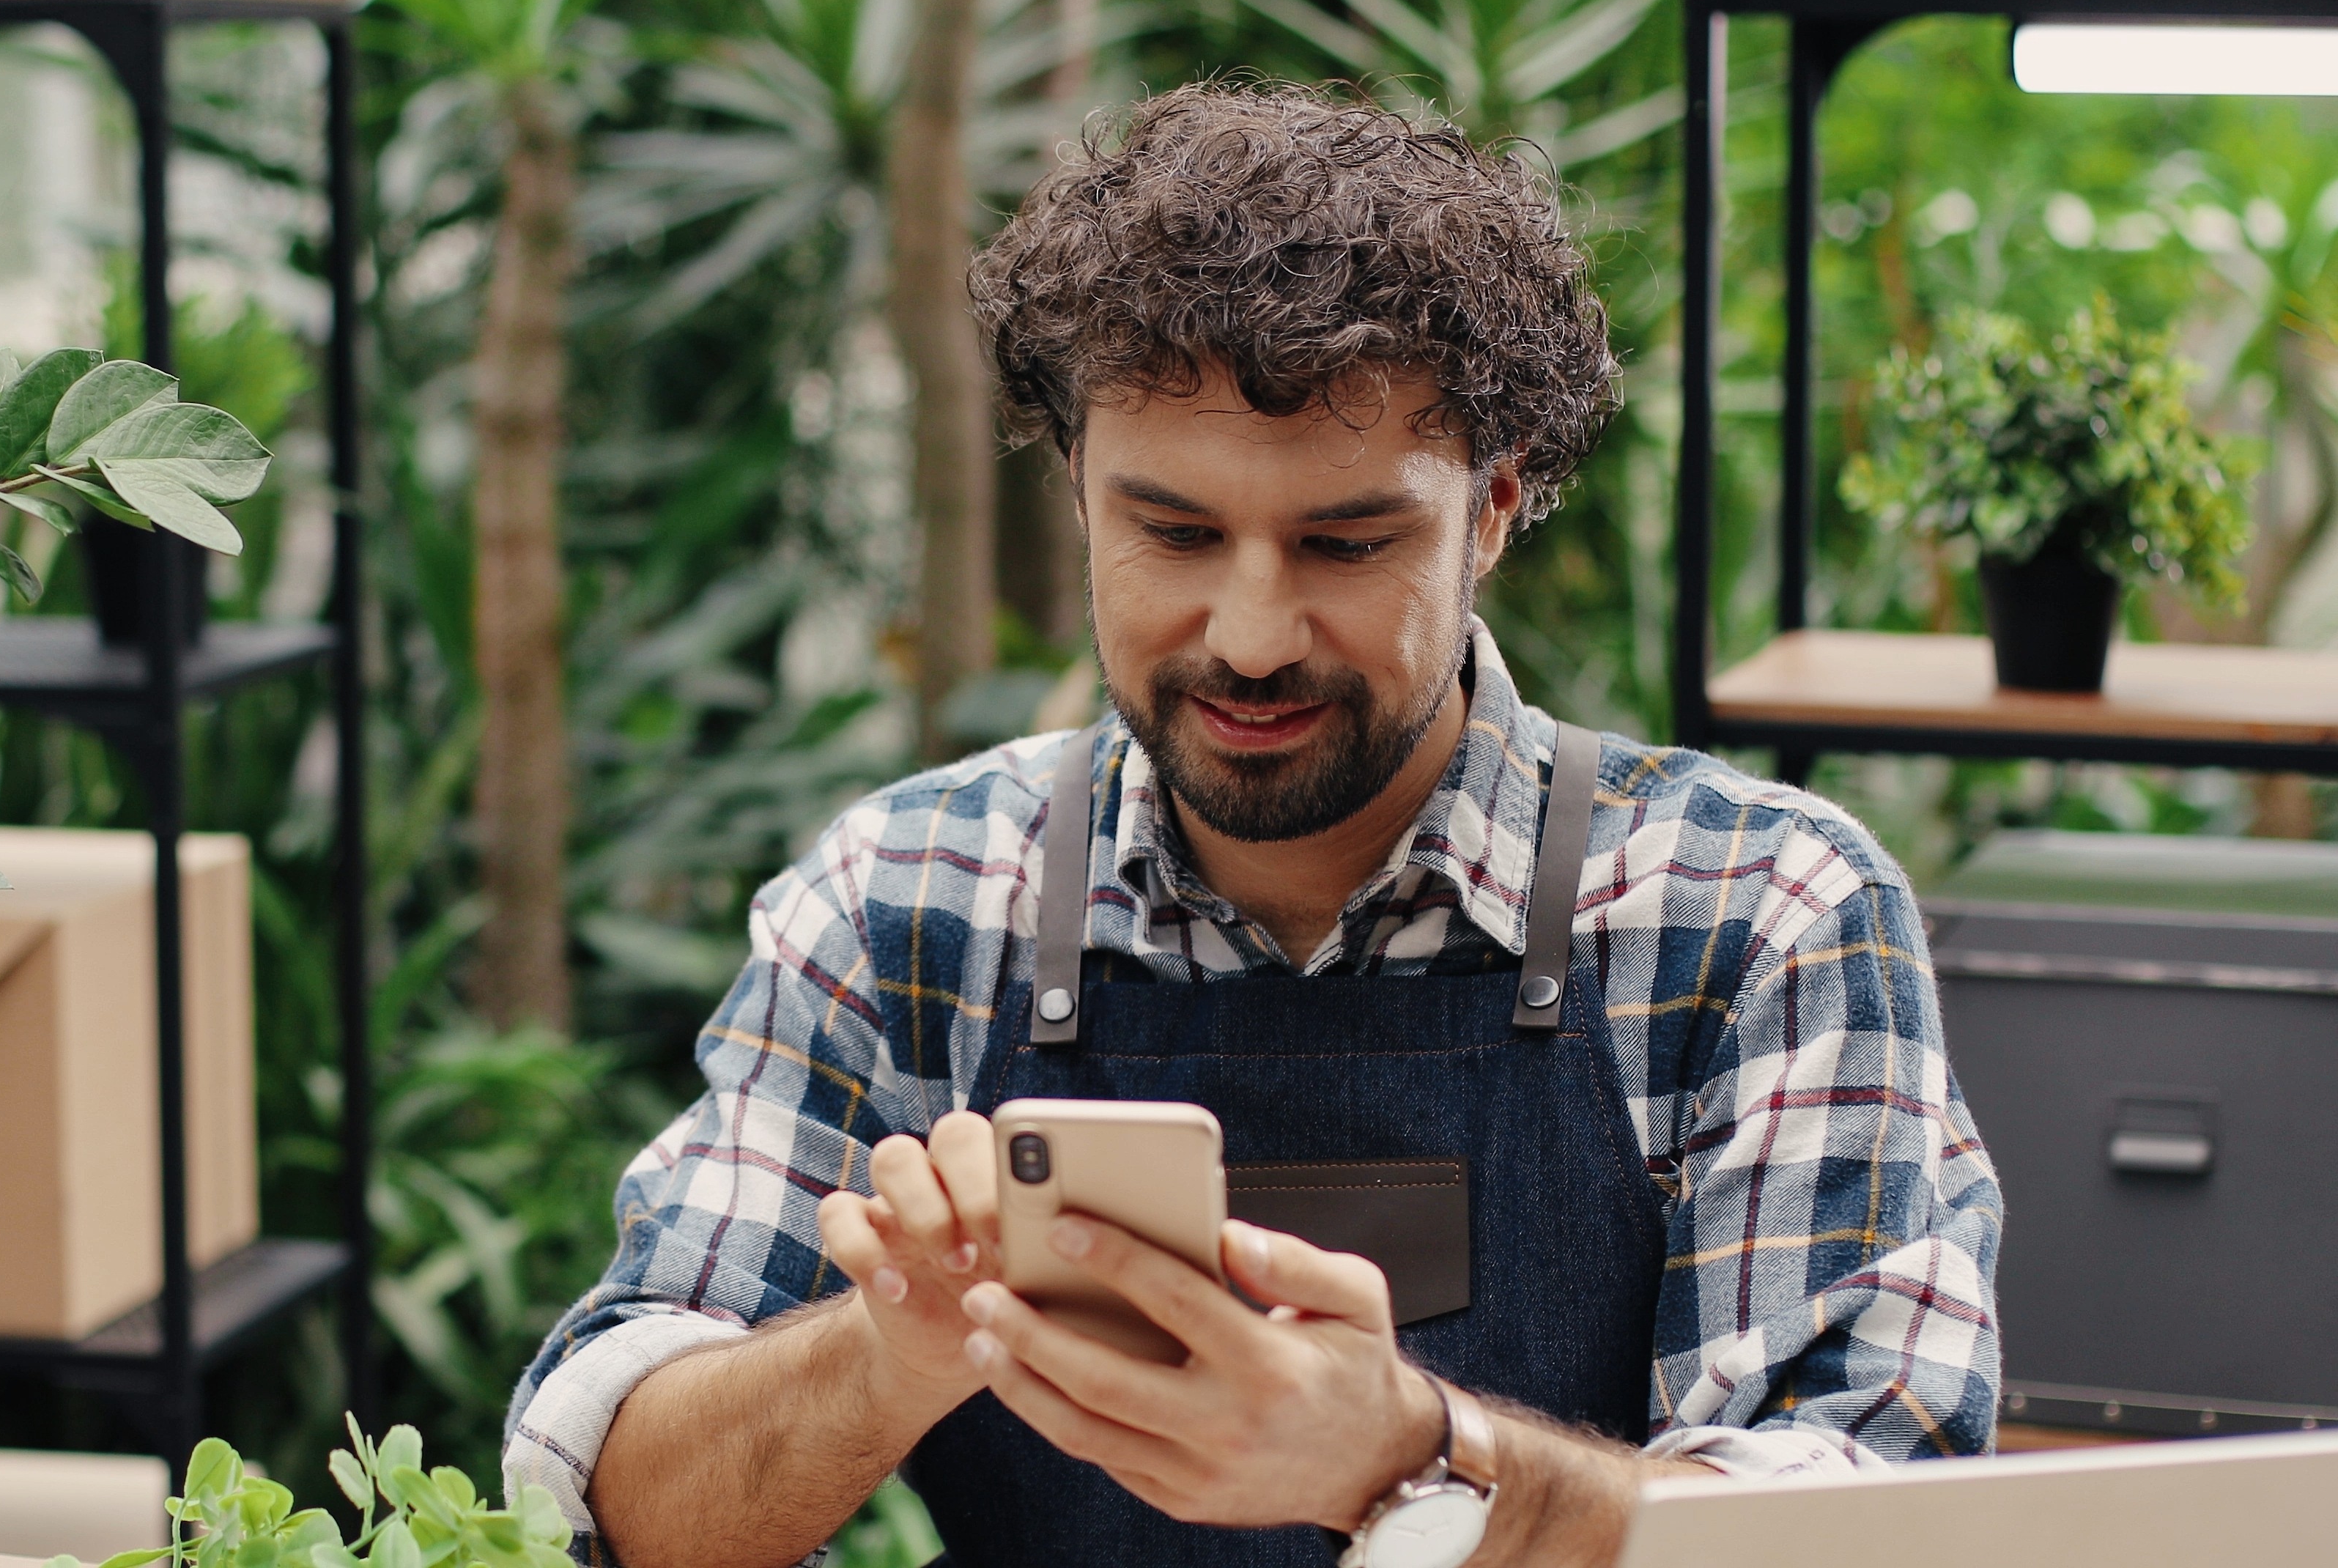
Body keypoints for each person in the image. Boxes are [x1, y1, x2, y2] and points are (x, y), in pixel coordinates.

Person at [503, 82, 2002, 1568]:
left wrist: (1418, 1462)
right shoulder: (909, 898)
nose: (1253, 632)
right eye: (1171, 532)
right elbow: (618, 1510)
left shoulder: (1750, 910)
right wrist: (891, 1344)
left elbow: (1858, 1526)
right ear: (1076, 490)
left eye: (1346, 542)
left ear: (1490, 508)